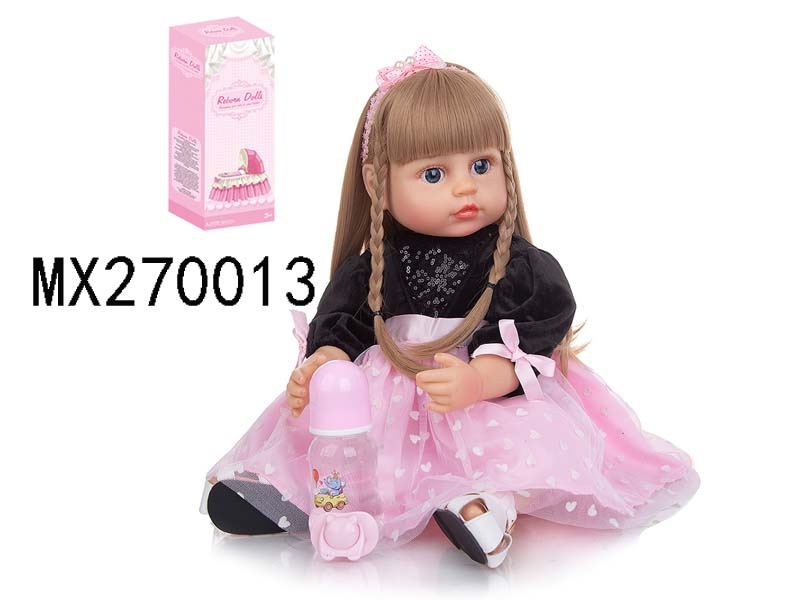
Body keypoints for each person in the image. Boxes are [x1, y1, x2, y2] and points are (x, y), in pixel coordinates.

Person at [201, 46, 700, 569]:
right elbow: (344, 323)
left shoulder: (520, 266)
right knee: (337, 434)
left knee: (516, 445)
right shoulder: (374, 267)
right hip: (384, 404)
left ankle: (489, 507)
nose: (466, 186)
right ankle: (290, 494)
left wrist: (480, 380)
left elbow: (533, 334)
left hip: (482, 399)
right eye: (434, 174)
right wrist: (325, 363)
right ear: (377, 184)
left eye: (481, 165)